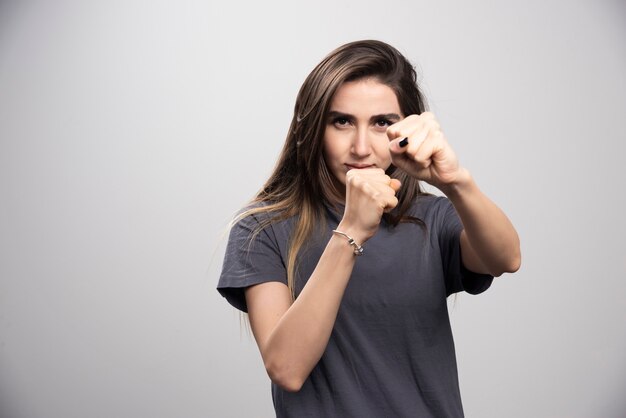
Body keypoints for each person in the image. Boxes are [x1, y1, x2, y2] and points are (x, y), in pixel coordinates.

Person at [217, 40, 520, 417]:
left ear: (406, 129)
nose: (361, 148)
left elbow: (506, 258)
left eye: (382, 123)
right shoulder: (263, 228)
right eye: (341, 121)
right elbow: (286, 368)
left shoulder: (432, 217)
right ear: (313, 128)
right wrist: (352, 232)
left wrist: (455, 181)